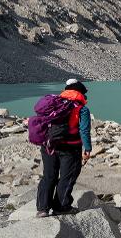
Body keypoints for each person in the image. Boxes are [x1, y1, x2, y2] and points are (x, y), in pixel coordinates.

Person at [36, 79, 92, 218]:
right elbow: (84, 130)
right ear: (80, 93)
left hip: (48, 145)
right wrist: (88, 148)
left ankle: (42, 209)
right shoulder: (82, 109)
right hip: (70, 148)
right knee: (67, 177)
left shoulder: (53, 104)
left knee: (49, 176)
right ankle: (61, 207)